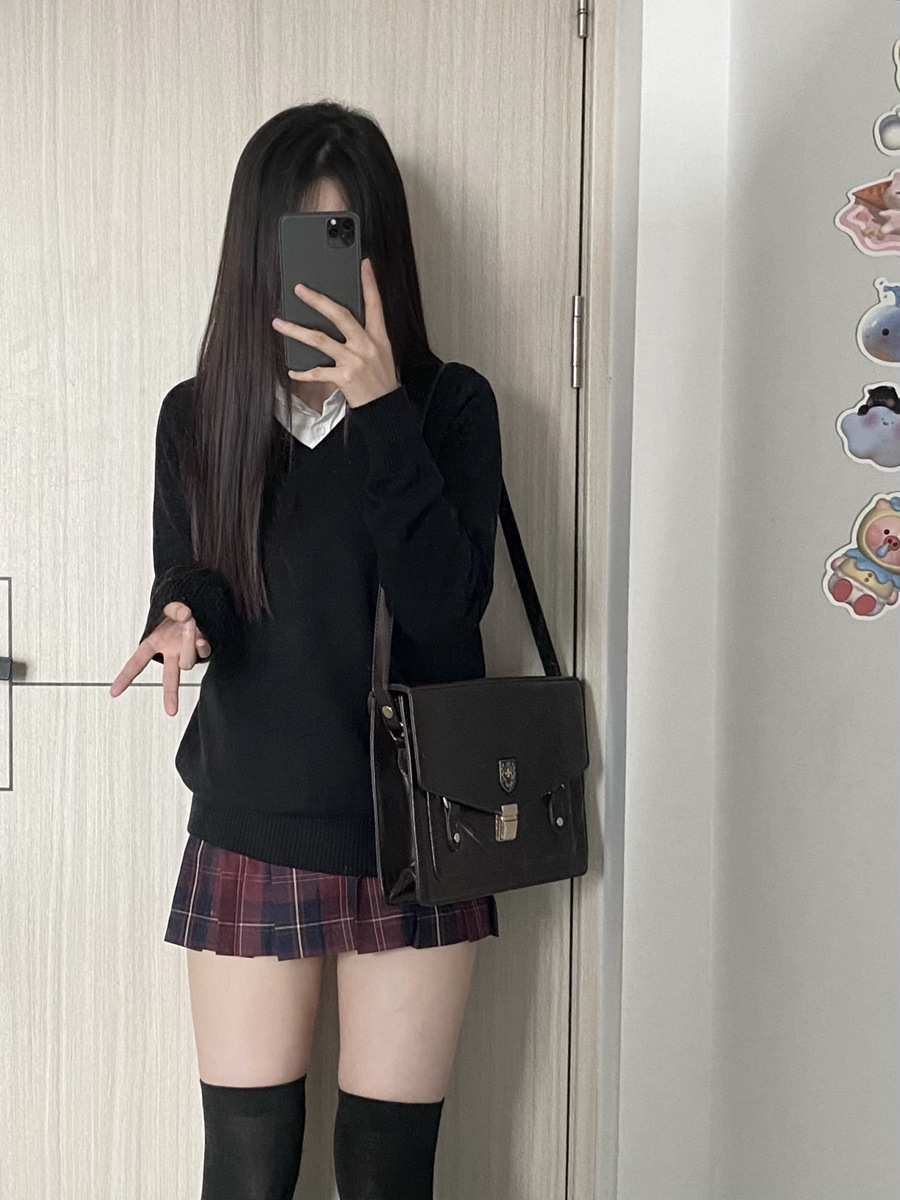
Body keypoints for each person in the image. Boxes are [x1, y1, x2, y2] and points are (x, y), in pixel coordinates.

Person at [109, 100, 504, 1200]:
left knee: (388, 1176)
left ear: (383, 255)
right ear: (257, 254)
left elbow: (446, 614)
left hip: (421, 828)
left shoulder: (449, 406)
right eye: (299, 244)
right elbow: (201, 580)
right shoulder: (201, 416)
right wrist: (181, 615)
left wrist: (382, 412)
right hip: (254, 819)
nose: (319, 278)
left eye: (343, 243)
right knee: (245, 1173)